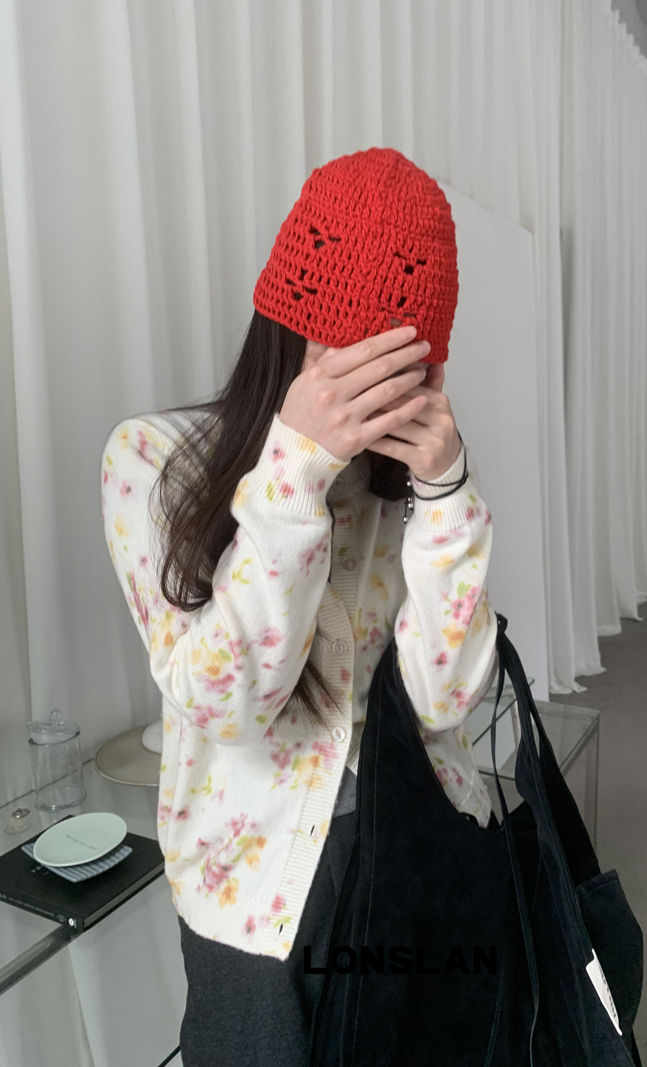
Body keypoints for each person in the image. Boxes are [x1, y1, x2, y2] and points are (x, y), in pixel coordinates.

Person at [100, 146, 500, 1066]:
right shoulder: (153, 463)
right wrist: (294, 473)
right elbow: (227, 707)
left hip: (419, 851)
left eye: (400, 364)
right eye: (348, 356)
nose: (369, 391)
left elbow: (445, 702)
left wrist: (449, 494)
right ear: (288, 331)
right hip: (255, 889)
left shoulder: (413, 487)